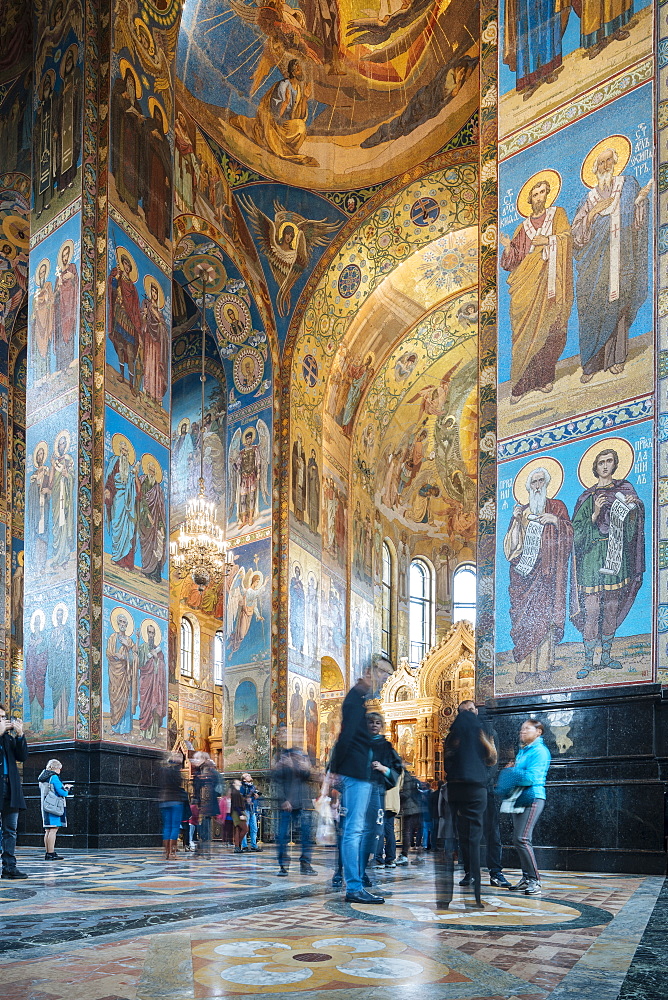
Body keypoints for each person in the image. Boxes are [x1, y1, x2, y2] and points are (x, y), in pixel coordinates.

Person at [572, 144, 650, 383]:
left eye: (608, 161)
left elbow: (636, 225)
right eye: (601, 163)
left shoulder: (627, 185)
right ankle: (592, 363)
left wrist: (639, 203)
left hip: (621, 258)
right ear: (595, 170)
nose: (605, 166)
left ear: (616, 163)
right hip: (594, 268)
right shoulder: (589, 199)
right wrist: (593, 213)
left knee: (619, 307)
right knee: (593, 310)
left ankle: (617, 359)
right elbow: (576, 236)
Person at [500, 176, 573, 402]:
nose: (539, 197)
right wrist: (506, 248)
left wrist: (549, 241)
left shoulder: (557, 215)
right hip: (528, 286)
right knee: (523, 334)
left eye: (543, 192)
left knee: (551, 328)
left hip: (552, 281)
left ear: (548, 195)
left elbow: (567, 238)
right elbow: (511, 262)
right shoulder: (523, 228)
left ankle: (544, 378)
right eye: (535, 194)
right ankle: (521, 384)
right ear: (529, 200)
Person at [504, 464, 573, 680]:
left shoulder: (557, 507)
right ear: (528, 486)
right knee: (525, 621)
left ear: (547, 483)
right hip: (523, 575)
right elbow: (510, 548)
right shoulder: (522, 512)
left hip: (547, 574)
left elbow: (571, 535)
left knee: (545, 619)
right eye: (533, 482)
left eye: (540, 481)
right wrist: (515, 521)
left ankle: (543, 666)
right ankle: (524, 667)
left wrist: (555, 521)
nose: (537, 485)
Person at [329, 662, 385, 903]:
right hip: (355, 773)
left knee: (355, 830)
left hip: (356, 772)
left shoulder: (358, 699)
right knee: (354, 831)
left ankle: (355, 884)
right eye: (383, 672)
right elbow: (346, 736)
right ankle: (354, 887)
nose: (384, 678)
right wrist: (335, 769)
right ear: (369, 673)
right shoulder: (354, 700)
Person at [441, 701, 498, 909]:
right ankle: (476, 895)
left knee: (452, 837)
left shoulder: (451, 735)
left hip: (455, 788)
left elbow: (446, 763)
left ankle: (445, 897)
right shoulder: (481, 731)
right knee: (475, 839)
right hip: (476, 789)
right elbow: (492, 758)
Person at [458, 704, 512, 889]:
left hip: (485, 791)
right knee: (467, 835)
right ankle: (470, 873)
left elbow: (493, 763)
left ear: (476, 712)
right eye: (465, 711)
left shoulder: (489, 733)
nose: (470, 712)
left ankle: (496, 873)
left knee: (492, 834)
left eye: (472, 709)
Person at [507, 719, 551, 896]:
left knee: (523, 838)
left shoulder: (540, 751)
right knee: (518, 839)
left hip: (533, 796)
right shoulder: (523, 750)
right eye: (521, 729)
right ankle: (526, 878)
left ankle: (535, 880)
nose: (522, 732)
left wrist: (512, 772)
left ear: (538, 732)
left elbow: (532, 776)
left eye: (527, 729)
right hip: (519, 796)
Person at [363, 713, 401, 879]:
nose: (374, 725)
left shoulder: (386, 746)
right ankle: (363, 862)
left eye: (378, 723)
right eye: (371, 722)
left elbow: (396, 769)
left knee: (378, 827)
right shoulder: (359, 744)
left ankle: (377, 858)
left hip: (378, 788)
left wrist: (383, 769)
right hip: (361, 789)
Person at [273, 741, 315, 876]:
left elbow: (308, 778)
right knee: (282, 836)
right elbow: (276, 783)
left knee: (306, 836)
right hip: (286, 806)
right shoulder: (282, 766)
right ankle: (283, 865)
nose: (297, 758)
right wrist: (284, 800)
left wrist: (307, 767)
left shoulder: (300, 768)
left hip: (301, 804)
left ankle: (305, 864)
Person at [0, 704, 28, 878]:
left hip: (10, 788)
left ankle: (9, 868)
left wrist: (20, 735)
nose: (3, 721)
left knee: (10, 829)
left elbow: (22, 756)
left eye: (3, 717)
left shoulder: (8, 738)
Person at [38, 758, 73, 860]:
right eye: (59, 768)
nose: (60, 771)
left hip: (46, 805)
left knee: (48, 830)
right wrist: (67, 788)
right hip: (54, 807)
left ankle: (48, 852)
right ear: (55, 768)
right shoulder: (53, 777)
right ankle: (51, 853)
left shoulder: (43, 778)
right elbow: (63, 793)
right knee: (53, 830)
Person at [159, 751, 186, 860]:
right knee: (175, 827)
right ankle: (173, 853)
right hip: (175, 800)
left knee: (167, 827)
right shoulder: (176, 770)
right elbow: (178, 784)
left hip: (164, 800)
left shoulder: (164, 769)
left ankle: (166, 852)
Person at [192, 752, 220, 854]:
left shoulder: (208, 770)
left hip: (207, 802)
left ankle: (204, 846)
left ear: (204, 759)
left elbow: (214, 784)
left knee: (204, 824)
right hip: (203, 802)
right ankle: (203, 846)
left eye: (197, 758)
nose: (195, 760)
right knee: (202, 824)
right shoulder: (200, 770)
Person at [395, 765, 423, 866]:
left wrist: (396, 795)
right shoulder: (408, 777)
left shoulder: (405, 776)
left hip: (410, 808)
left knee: (407, 832)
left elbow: (406, 793)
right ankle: (418, 856)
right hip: (413, 807)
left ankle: (405, 855)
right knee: (411, 832)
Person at [240, 772, 262, 851]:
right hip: (245, 809)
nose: (250, 776)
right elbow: (241, 798)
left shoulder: (252, 786)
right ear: (244, 779)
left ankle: (254, 845)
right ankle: (244, 845)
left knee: (254, 828)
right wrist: (251, 798)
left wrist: (256, 796)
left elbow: (252, 797)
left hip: (252, 809)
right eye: (247, 776)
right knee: (245, 828)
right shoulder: (242, 787)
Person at [230, 779, 249, 853]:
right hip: (237, 812)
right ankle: (238, 845)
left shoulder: (237, 792)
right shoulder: (235, 792)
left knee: (238, 830)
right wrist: (240, 814)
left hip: (237, 812)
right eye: (237, 781)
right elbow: (235, 805)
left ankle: (237, 847)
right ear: (234, 784)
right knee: (245, 829)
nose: (239, 782)